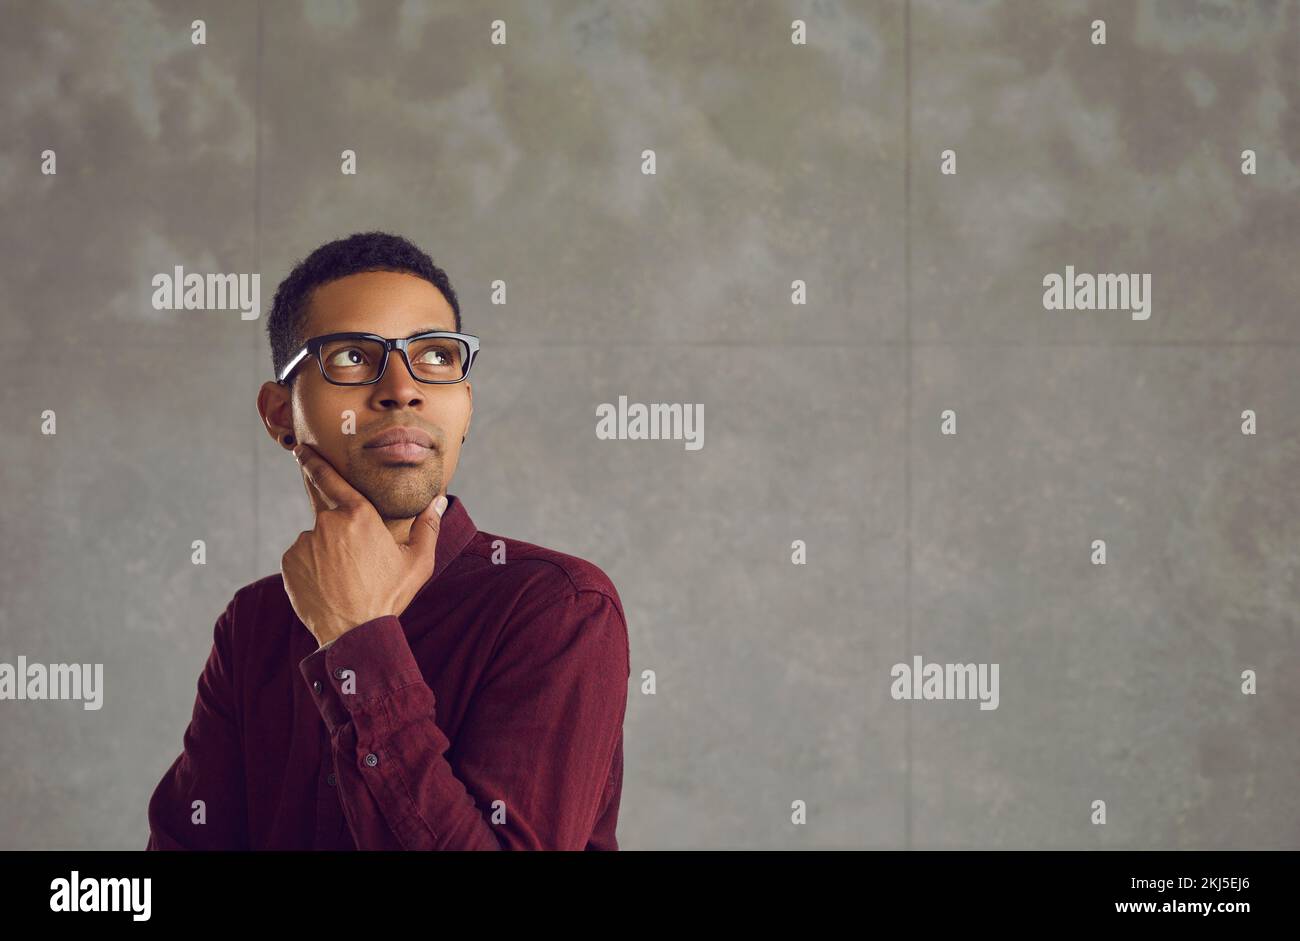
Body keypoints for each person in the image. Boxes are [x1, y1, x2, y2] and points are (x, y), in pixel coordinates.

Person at [145, 231, 630, 850]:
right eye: (350, 356)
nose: (403, 388)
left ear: (466, 407)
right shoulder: (254, 624)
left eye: (434, 356)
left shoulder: (560, 608)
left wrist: (357, 640)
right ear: (278, 414)